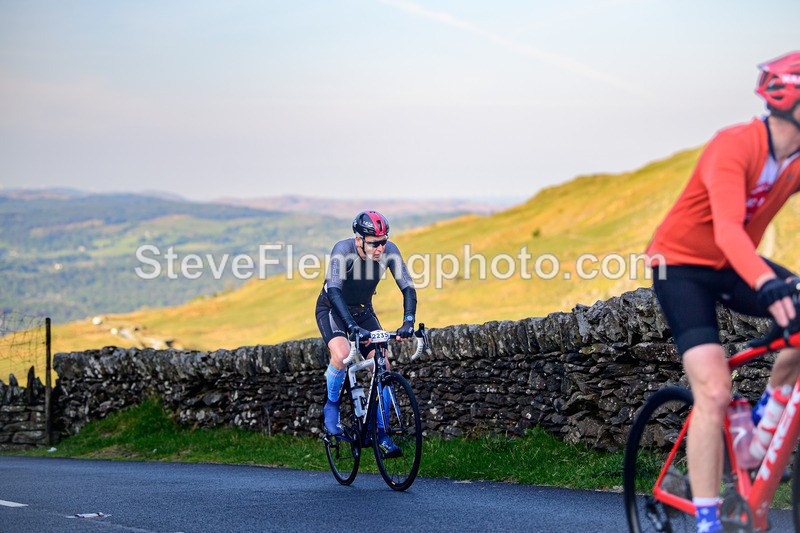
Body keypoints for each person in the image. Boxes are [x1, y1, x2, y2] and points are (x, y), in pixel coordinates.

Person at [646, 51, 800, 533]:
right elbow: (730, 231)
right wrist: (767, 282)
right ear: (788, 97)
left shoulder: (794, 161)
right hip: (683, 265)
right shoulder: (734, 145)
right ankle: (709, 523)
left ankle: (756, 440)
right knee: (713, 390)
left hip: (733, 265)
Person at [315, 210, 417, 458]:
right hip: (333, 310)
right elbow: (335, 292)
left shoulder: (389, 250)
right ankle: (332, 406)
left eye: (383, 241)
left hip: (363, 312)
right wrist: (351, 328)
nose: (381, 248)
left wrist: (408, 321)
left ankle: (381, 433)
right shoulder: (343, 250)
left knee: (383, 365)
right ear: (359, 239)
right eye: (374, 243)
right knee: (341, 354)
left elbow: (408, 288)